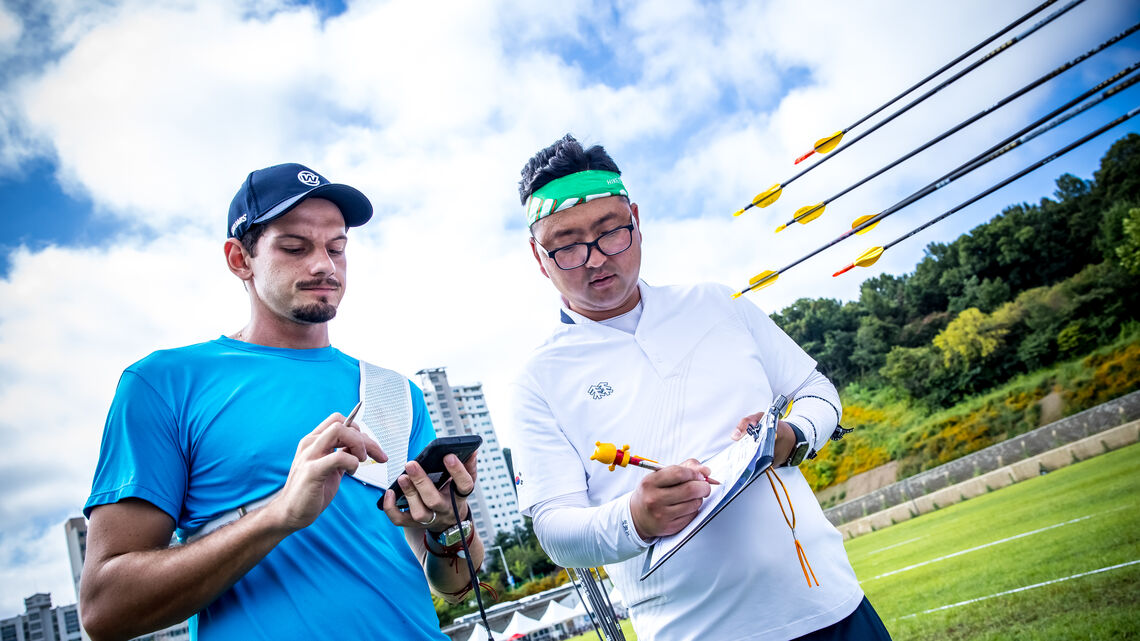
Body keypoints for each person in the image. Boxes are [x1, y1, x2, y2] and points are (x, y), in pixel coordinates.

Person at [508, 135, 892, 640]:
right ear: (539, 257)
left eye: (610, 232)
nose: (596, 259)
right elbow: (557, 532)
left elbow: (819, 392)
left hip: (832, 608)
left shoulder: (717, 303)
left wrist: (793, 436)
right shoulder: (538, 379)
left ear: (636, 221)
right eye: (567, 246)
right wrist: (636, 517)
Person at [80, 163, 484, 641]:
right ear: (239, 259)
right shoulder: (164, 384)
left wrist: (446, 528)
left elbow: (454, 586)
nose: (324, 265)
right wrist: (279, 514)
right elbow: (105, 611)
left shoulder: (396, 393)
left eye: (337, 248)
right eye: (295, 247)